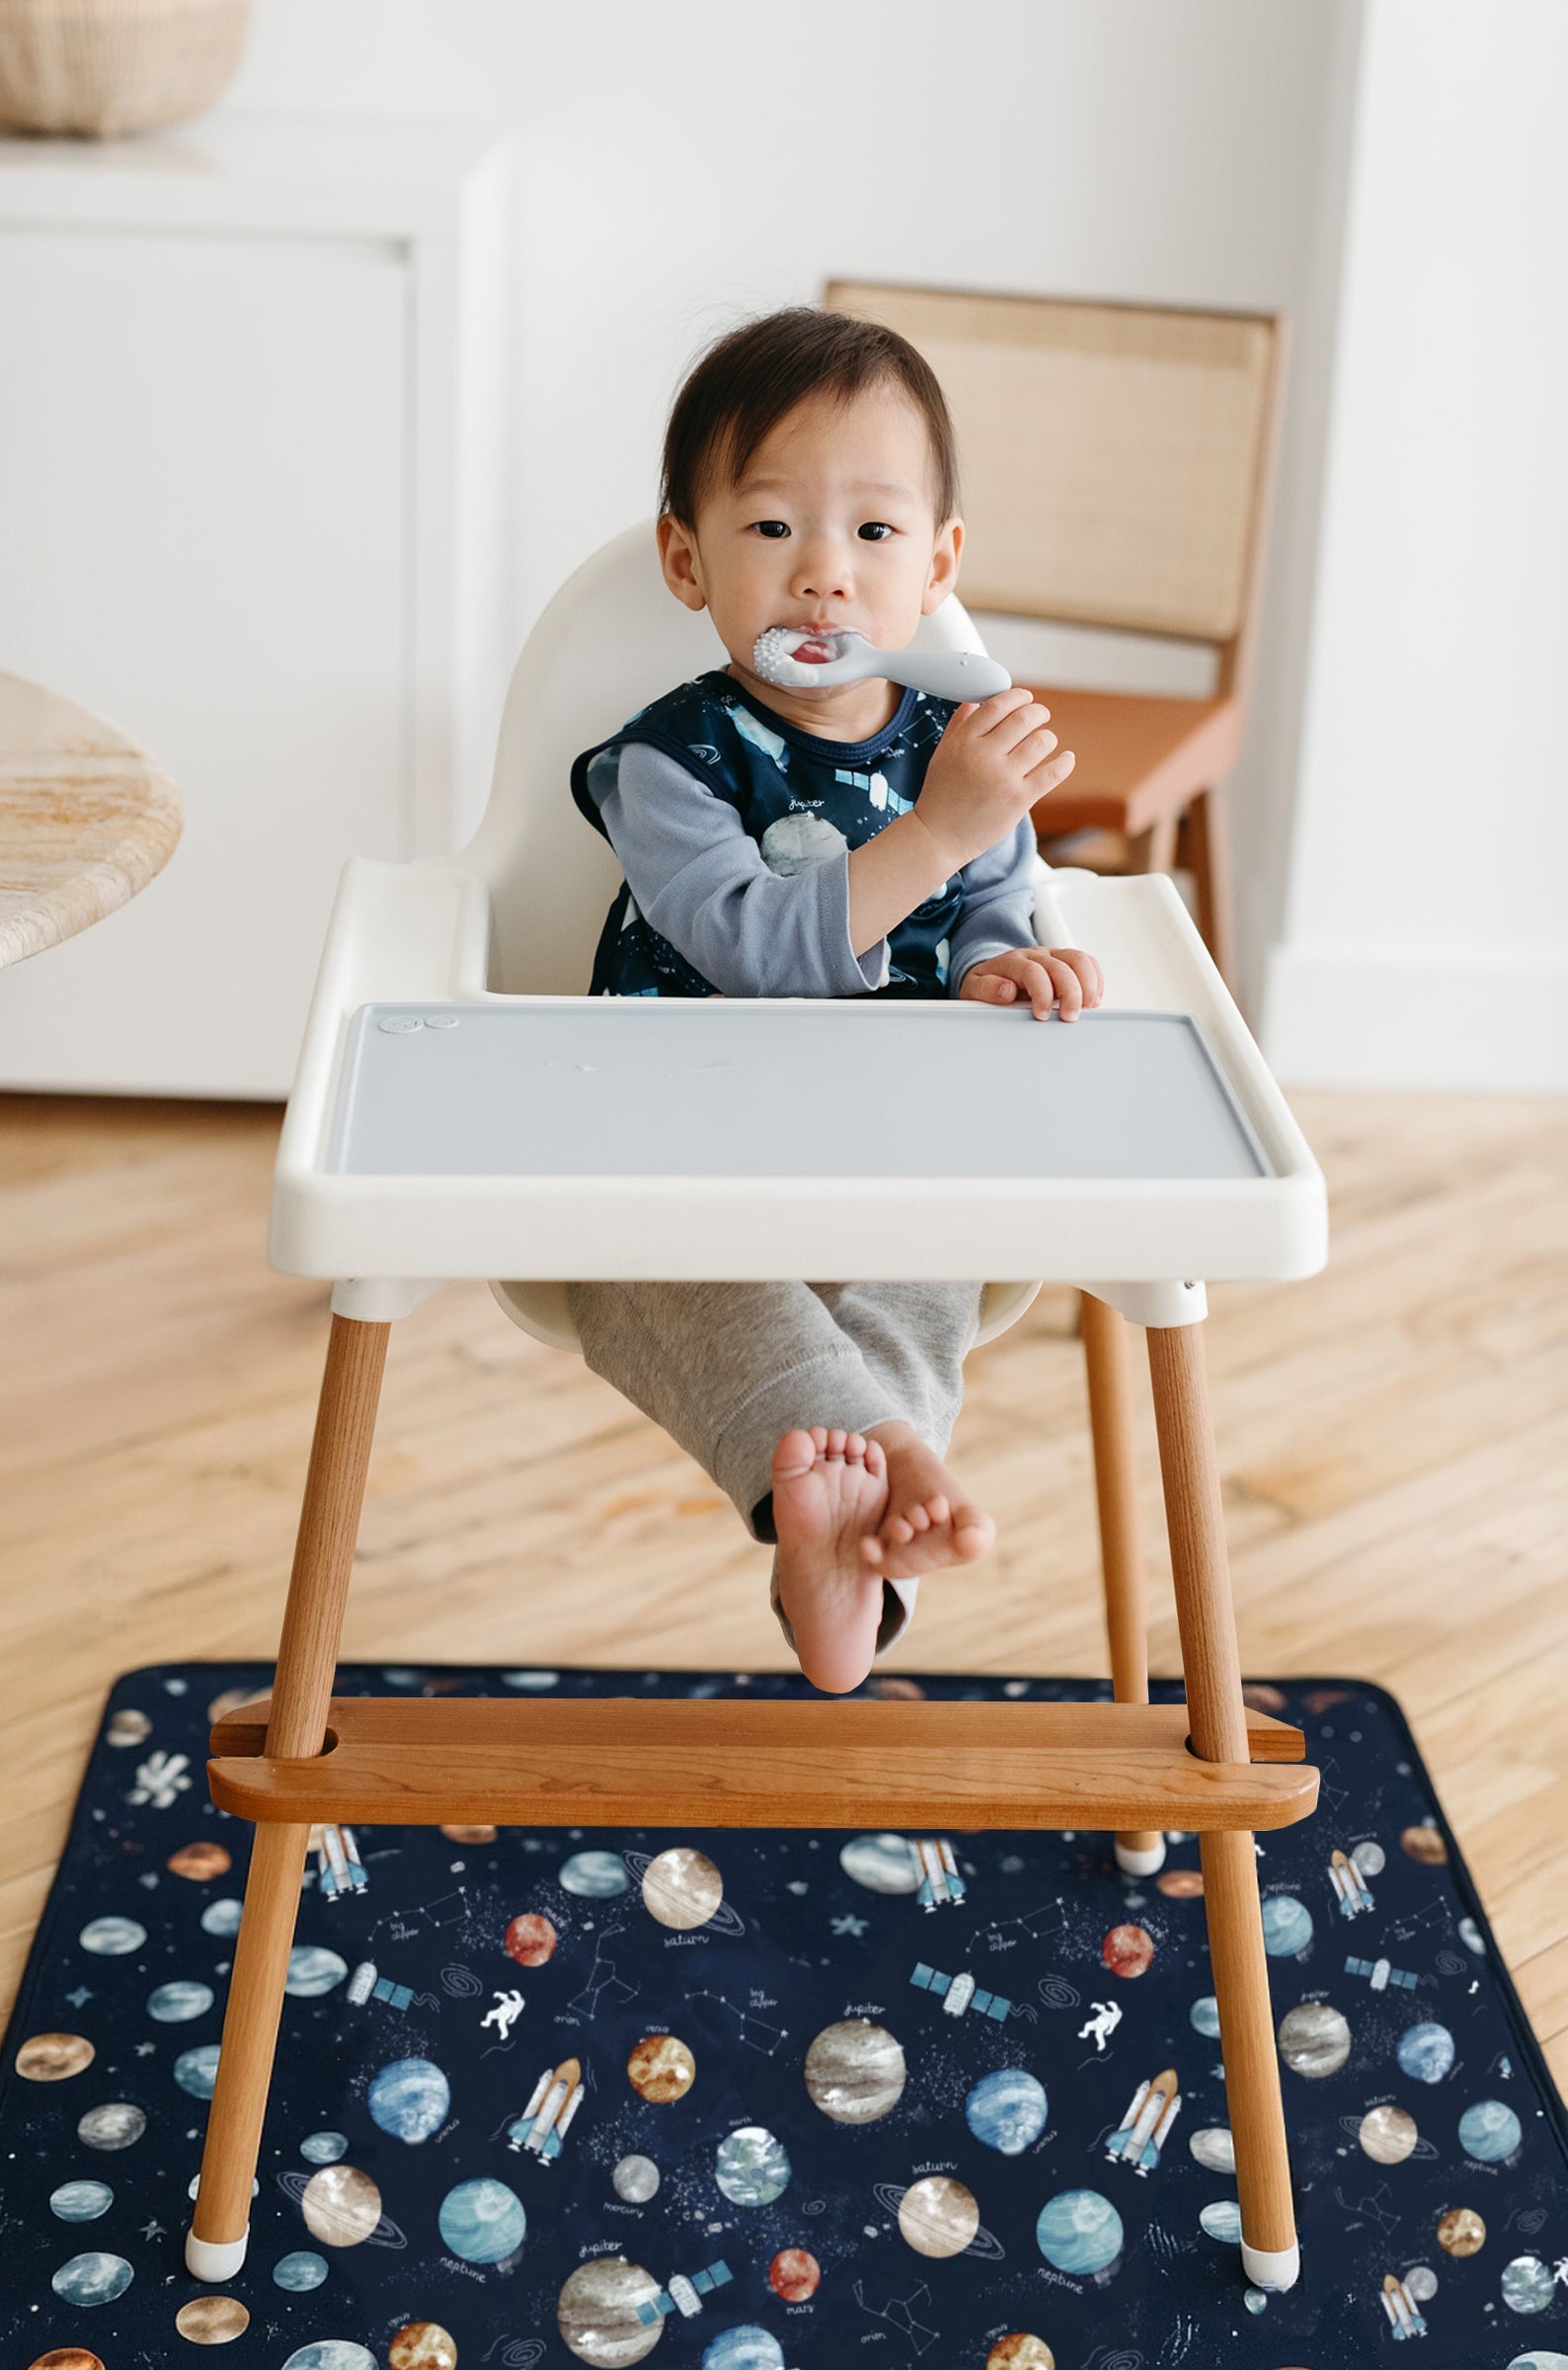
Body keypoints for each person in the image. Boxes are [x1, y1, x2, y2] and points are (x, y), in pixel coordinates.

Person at [565, 306, 1102, 1697]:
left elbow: (995, 901)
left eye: (873, 531)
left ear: (938, 565)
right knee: (645, 1256)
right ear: (687, 559)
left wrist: (1001, 961)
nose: (823, 573)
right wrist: (937, 831)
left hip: (889, 1139)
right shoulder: (668, 765)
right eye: (771, 528)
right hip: (673, 1140)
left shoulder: (960, 748)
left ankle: (848, 1540)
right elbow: (753, 947)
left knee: (929, 1258)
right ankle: (886, 1478)